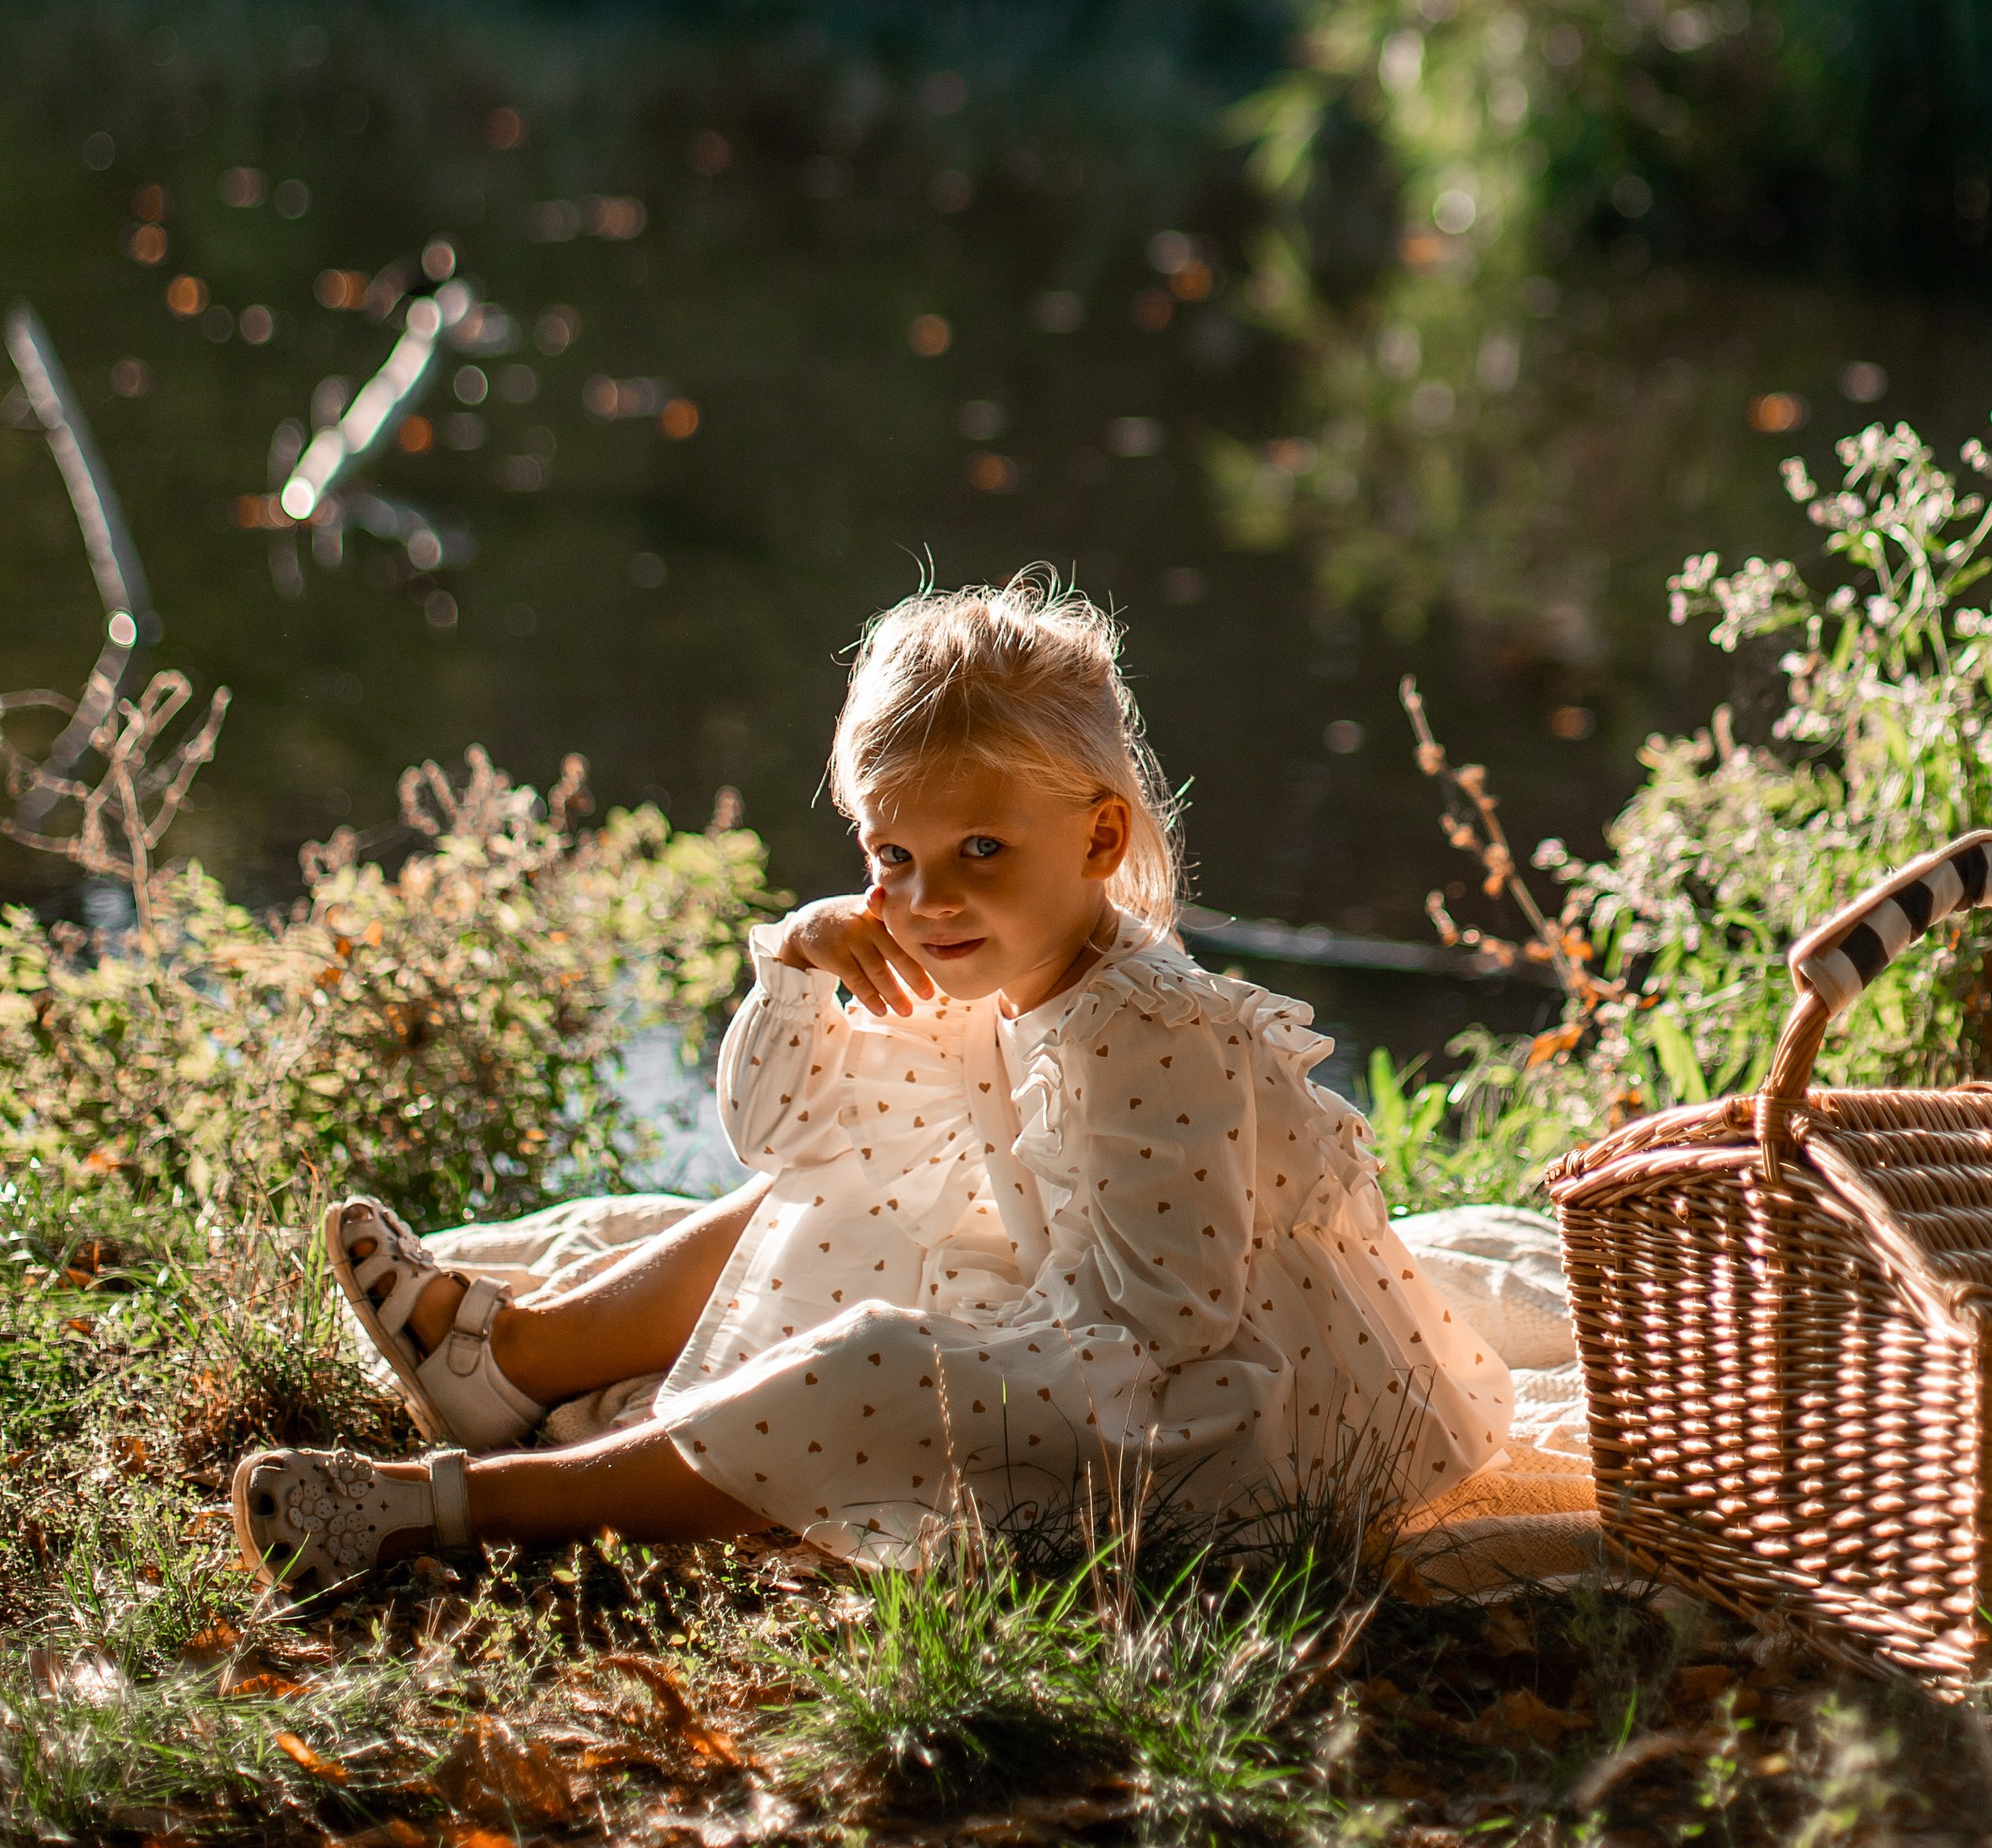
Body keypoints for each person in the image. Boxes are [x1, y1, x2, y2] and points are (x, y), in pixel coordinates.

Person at [232, 574, 1513, 1590]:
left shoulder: (1155, 1033)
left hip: (1237, 1432)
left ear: (1100, 835)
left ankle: (454, 1510)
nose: (927, 898)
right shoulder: (983, 969)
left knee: (879, 1359)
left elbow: (1162, 1327)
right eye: (892, 852)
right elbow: (780, 1140)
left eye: (979, 849)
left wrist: (946, 1340)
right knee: (854, 1178)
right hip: (1104, 1325)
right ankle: (511, 1363)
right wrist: (797, 968)